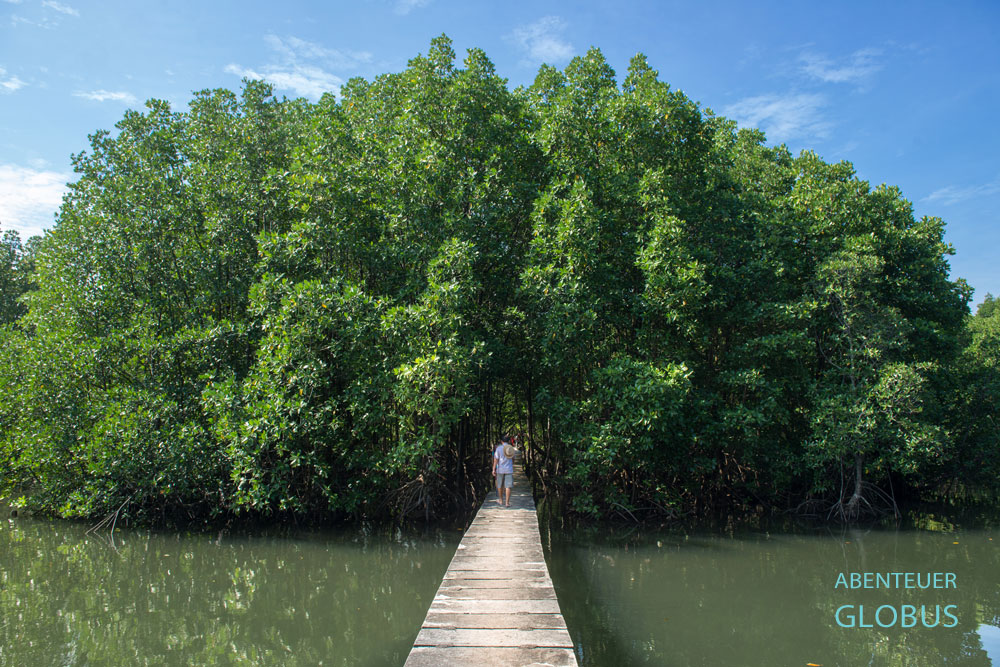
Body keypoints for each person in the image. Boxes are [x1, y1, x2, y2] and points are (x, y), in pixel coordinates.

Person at [492, 434, 515, 507]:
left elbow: (496, 460)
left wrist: (493, 469)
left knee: (500, 485)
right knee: (508, 486)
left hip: (500, 469)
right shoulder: (511, 448)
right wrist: (511, 464)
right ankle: (507, 503)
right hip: (509, 469)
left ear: (501, 441)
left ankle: (501, 500)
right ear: (508, 441)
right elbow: (513, 458)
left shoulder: (498, 448)